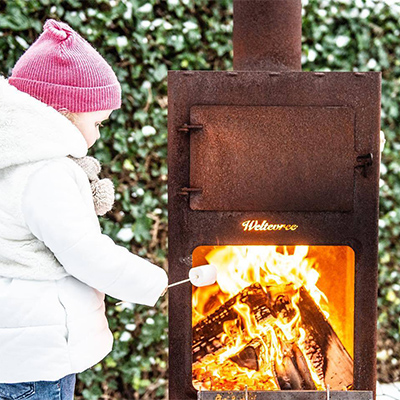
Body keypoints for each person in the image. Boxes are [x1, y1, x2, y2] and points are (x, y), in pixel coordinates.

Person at [0, 19, 168, 400]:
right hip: (35, 361)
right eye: (98, 122)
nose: (97, 136)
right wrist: (158, 282)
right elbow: (86, 255)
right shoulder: (45, 172)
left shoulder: (12, 158)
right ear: (64, 113)